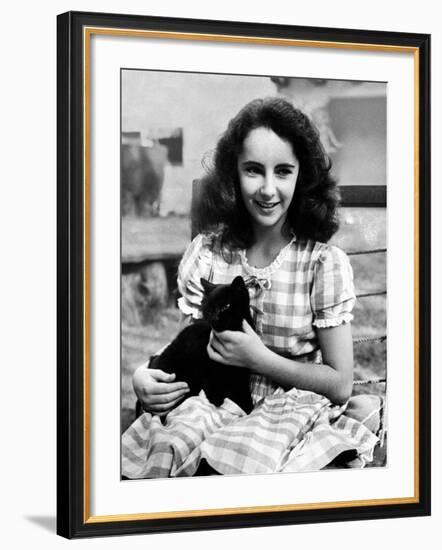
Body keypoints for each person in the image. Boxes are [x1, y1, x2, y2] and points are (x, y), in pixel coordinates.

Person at [124, 97, 382, 478]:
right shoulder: (210, 254)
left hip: (288, 414)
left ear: (302, 176)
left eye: (283, 171)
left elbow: (341, 384)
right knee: (171, 449)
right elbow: (189, 342)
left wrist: (259, 359)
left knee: (244, 463)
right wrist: (142, 374)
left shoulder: (320, 262)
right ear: (233, 174)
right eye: (253, 170)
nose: (267, 188)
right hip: (211, 402)